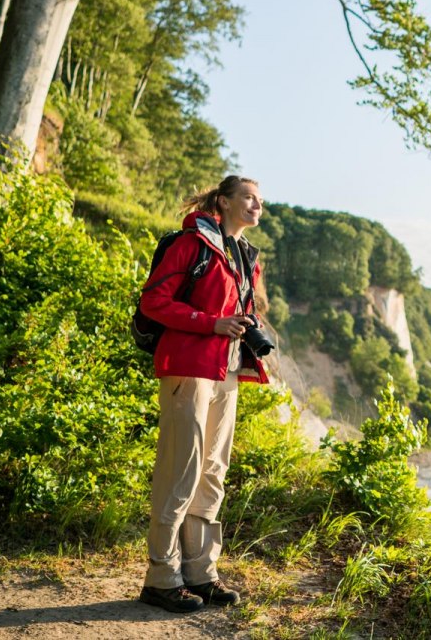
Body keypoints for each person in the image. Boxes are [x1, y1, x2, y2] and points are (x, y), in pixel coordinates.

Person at [136, 175, 271, 613]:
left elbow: (240, 310)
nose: (256, 205)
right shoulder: (191, 244)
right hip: (188, 368)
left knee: (212, 471)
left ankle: (200, 572)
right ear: (226, 201)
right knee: (181, 471)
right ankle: (161, 578)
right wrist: (209, 322)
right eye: (248, 197)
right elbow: (154, 302)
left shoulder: (247, 256)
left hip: (227, 371)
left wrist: (246, 325)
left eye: (260, 200)